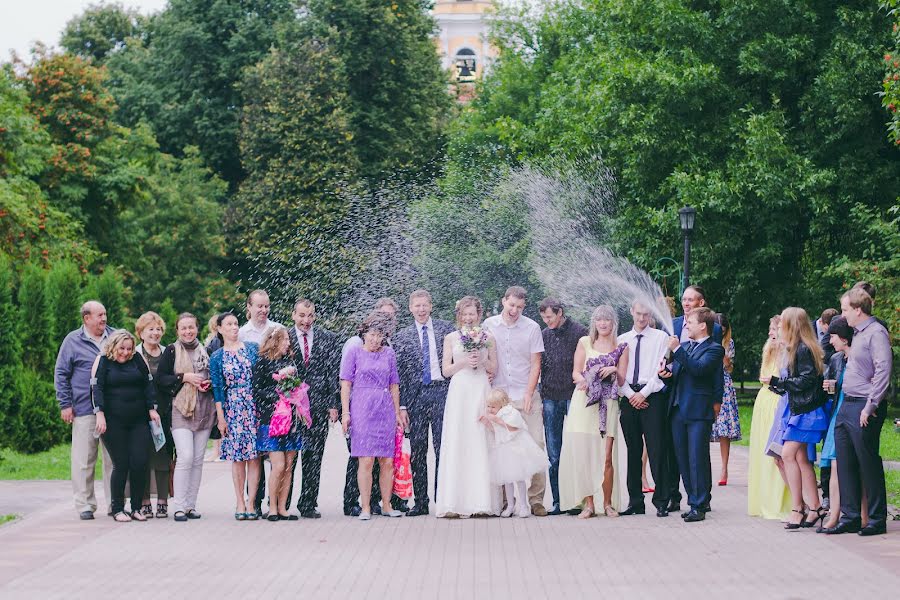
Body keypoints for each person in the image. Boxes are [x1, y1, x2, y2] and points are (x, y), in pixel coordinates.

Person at [825, 288, 891, 536]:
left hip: (865, 405)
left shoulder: (876, 333)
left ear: (857, 310)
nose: (842, 315)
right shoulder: (856, 333)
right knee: (845, 462)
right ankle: (850, 516)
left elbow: (883, 371)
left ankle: (876, 518)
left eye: (844, 310)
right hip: (846, 404)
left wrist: (871, 406)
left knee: (867, 462)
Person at [482, 286, 548, 516]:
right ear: (503, 301)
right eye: (511, 305)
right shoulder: (488, 325)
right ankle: (504, 501)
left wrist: (529, 393)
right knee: (501, 447)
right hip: (499, 398)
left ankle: (536, 500)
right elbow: (485, 357)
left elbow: (536, 363)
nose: (515, 310)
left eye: (519, 307)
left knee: (536, 446)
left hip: (525, 394)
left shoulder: (532, 328)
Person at [559, 305, 628, 519]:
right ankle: (588, 504)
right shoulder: (584, 342)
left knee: (606, 457)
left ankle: (607, 504)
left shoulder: (622, 347)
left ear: (613, 322)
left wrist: (614, 370)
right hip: (585, 404)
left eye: (607, 319)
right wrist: (587, 380)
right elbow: (576, 373)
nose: (603, 323)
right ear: (594, 322)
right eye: (599, 320)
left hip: (608, 403)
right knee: (585, 456)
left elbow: (623, 380)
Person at [762, 307, 827, 530]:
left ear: (792, 326)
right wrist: (776, 384)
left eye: (781, 324)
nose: (778, 327)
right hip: (799, 410)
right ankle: (815, 507)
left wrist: (778, 382)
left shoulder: (803, 349)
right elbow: (795, 383)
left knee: (788, 455)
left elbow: (807, 380)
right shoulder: (794, 349)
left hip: (807, 412)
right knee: (801, 460)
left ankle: (798, 507)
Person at [435, 296, 499, 518]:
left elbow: (494, 366)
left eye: (473, 313)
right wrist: (464, 362)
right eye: (465, 313)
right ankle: (453, 501)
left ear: (479, 315)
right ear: (459, 315)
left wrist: (480, 361)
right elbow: (445, 370)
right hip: (460, 389)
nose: (469, 318)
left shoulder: (488, 337)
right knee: (458, 439)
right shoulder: (451, 338)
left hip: (480, 388)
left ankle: (481, 501)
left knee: (480, 439)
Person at [340, 312, 408, 520]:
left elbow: (394, 384)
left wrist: (397, 412)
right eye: (372, 334)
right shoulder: (354, 352)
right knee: (366, 460)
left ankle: (386, 505)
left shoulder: (389, 354)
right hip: (362, 407)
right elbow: (345, 384)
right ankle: (366, 507)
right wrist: (345, 412)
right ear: (364, 333)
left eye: (380, 335)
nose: (375, 339)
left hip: (384, 407)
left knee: (387, 461)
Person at [393, 290, 454, 516]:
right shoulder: (402, 337)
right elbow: (400, 375)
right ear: (410, 308)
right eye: (417, 306)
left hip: (441, 393)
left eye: (424, 305)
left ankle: (443, 499)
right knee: (418, 450)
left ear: (431, 306)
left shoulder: (446, 330)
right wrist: (402, 407)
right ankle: (421, 501)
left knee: (442, 448)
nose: (421, 309)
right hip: (416, 397)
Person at [54, 300, 115, 520]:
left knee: (113, 460)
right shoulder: (72, 340)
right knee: (84, 460)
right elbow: (61, 373)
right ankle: (85, 505)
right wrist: (65, 404)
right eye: (99, 315)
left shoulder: (115, 336)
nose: (104, 319)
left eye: (105, 314)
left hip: (113, 409)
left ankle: (114, 503)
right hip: (83, 408)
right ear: (86, 318)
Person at [91, 330, 160, 522]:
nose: (125, 352)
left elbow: (148, 384)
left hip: (138, 420)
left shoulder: (137, 359)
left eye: (129, 348)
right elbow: (97, 388)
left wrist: (152, 409)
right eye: (122, 348)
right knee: (121, 464)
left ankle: (137, 507)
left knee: (139, 462)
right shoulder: (104, 360)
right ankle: (118, 508)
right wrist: (100, 414)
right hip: (113, 422)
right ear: (114, 347)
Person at [663, 307, 724, 523]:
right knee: (682, 458)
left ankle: (700, 504)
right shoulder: (686, 346)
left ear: (702, 326)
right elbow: (680, 374)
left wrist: (677, 350)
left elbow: (699, 369)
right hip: (678, 409)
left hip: (698, 410)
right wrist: (666, 375)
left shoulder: (715, 349)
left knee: (697, 457)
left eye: (689, 322)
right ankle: (693, 500)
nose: (685, 325)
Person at [283, 299, 341, 519]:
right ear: (293, 315)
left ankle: (308, 503)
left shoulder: (328, 338)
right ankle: (282, 503)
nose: (306, 320)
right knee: (289, 458)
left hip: (317, 406)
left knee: (314, 457)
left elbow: (331, 373)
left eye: (310, 316)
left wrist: (333, 404)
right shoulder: (284, 337)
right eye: (301, 315)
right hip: (290, 408)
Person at [157, 313, 216, 523]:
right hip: (180, 411)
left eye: (191, 327)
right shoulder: (172, 351)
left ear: (197, 328)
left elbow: (213, 375)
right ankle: (179, 506)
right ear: (177, 331)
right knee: (186, 457)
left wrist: (208, 384)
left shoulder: (206, 351)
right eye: (183, 328)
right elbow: (161, 379)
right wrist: (184, 378)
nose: (188, 331)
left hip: (204, 409)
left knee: (198, 460)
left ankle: (191, 505)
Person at [617, 300, 671, 517]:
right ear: (631, 312)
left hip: (652, 397)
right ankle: (635, 502)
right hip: (629, 398)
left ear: (651, 316)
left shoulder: (661, 338)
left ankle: (661, 501)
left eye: (646, 315)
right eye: (638, 314)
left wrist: (643, 394)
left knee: (657, 449)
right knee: (633, 451)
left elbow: (662, 370)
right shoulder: (622, 340)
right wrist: (631, 395)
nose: (641, 318)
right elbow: (618, 373)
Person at [538, 297, 588, 515]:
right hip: (549, 396)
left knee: (576, 449)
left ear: (560, 313)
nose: (547, 321)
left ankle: (577, 499)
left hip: (573, 395)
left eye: (549, 316)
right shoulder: (544, 335)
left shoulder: (579, 332)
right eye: (543, 317)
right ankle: (559, 501)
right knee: (554, 452)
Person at [210, 312, 261, 520]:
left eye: (236, 324)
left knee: (254, 457)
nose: (233, 327)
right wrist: (221, 418)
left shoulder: (252, 349)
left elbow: (261, 377)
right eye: (229, 324)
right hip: (233, 407)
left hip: (253, 405)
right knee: (238, 458)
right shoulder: (217, 356)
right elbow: (217, 388)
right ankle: (239, 501)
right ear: (220, 329)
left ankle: (251, 502)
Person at [253, 327, 304, 521]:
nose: (288, 344)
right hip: (272, 420)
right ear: (274, 341)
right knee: (279, 465)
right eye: (284, 341)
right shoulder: (262, 362)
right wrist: (278, 395)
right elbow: (257, 390)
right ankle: (272, 506)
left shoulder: (290, 362)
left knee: (289, 465)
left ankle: (283, 507)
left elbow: (298, 386)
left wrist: (294, 394)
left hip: (291, 419)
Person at [747, 315, 791, 520]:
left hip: (777, 402)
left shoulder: (788, 353)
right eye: (770, 330)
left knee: (776, 452)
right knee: (760, 452)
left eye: (774, 329)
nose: (771, 333)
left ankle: (780, 502)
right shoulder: (769, 351)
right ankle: (763, 500)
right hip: (764, 402)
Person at [482, 389, 548, 518]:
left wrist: (497, 420)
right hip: (503, 450)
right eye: (488, 406)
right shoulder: (496, 414)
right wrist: (487, 423)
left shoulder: (510, 412)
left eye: (493, 407)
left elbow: (514, 427)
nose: (490, 409)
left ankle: (524, 505)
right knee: (507, 479)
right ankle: (511, 505)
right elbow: (496, 431)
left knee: (518, 478)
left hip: (515, 450)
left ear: (502, 405)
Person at [816, 316, 853, 532]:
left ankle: (852, 514)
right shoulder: (838, 359)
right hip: (837, 414)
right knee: (833, 464)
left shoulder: (855, 358)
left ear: (844, 338)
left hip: (850, 413)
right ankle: (834, 514)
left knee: (846, 466)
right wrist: (830, 385)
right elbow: (832, 386)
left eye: (832, 336)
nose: (829, 341)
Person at [134, 311, 172, 518]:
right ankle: (144, 499)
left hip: (164, 412)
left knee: (163, 456)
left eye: (158, 329)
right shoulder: (135, 354)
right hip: (139, 412)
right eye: (151, 329)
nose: (155, 333)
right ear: (141, 332)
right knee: (142, 456)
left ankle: (163, 500)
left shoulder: (168, 352)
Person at [709, 313, 741, 486]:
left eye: (723, 331)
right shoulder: (705, 341)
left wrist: (725, 358)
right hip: (707, 385)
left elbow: (728, 369)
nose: (720, 334)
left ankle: (724, 468)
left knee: (724, 430)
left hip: (724, 386)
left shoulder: (729, 344)